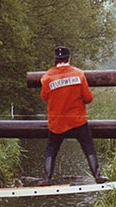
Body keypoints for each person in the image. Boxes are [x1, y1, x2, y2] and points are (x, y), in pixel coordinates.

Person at [39, 46, 108, 186]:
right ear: (69, 58)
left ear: (55, 60)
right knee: (88, 146)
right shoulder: (79, 74)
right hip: (77, 121)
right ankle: (97, 176)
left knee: (51, 149)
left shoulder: (46, 77)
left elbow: (44, 96)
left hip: (57, 123)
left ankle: (47, 179)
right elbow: (88, 98)